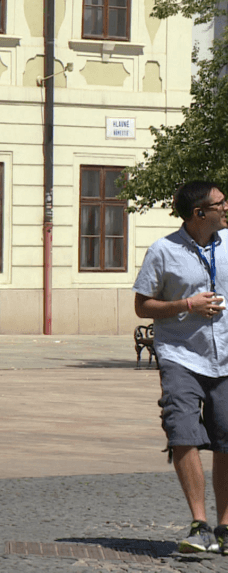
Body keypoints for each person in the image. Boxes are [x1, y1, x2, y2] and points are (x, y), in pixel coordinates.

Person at [134, 180, 228, 553]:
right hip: (181, 356)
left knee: (225, 439)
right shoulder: (163, 251)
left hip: (226, 357)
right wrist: (186, 305)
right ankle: (199, 524)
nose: (226, 207)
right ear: (198, 213)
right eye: (220, 203)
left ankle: (224, 528)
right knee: (183, 431)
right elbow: (143, 306)